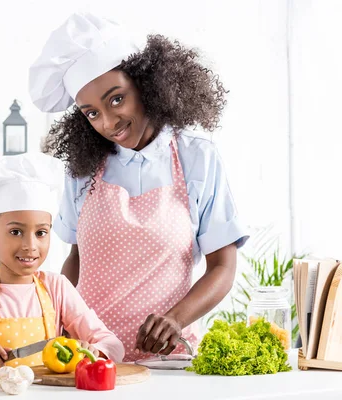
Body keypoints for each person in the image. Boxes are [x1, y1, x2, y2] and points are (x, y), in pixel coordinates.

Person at [28, 12, 249, 362]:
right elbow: (77, 258)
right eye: (92, 113)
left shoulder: (197, 158)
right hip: (89, 357)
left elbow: (223, 266)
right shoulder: (83, 169)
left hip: (167, 360)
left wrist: (175, 319)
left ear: (145, 84)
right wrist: (56, 327)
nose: (108, 122)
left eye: (117, 99)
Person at [0, 152, 124, 371]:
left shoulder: (57, 288)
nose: (30, 245)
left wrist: (90, 351)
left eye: (41, 233)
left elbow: (114, 346)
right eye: (15, 231)